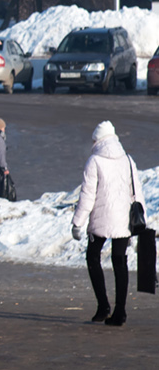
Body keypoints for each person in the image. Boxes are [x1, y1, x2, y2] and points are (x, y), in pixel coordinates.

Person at [72, 120, 146, 326]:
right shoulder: (128, 159)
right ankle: (120, 312)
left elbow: (87, 196)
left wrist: (77, 223)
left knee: (92, 256)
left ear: (97, 140)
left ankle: (103, 306)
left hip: (101, 220)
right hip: (123, 219)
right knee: (120, 262)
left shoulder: (94, 161)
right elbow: (137, 192)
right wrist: (142, 221)